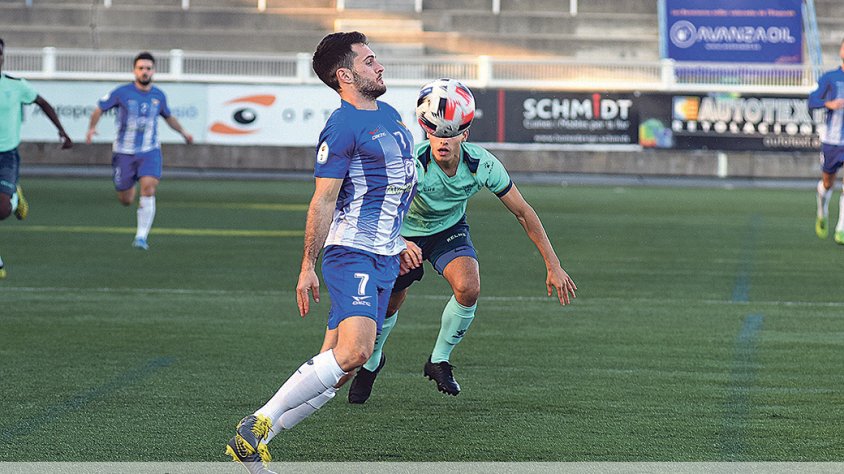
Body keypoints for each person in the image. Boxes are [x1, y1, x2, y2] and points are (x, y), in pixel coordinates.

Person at [225, 32, 418, 474]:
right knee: (356, 352)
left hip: (385, 255)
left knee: (340, 368)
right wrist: (307, 265)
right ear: (345, 75)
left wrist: (400, 239)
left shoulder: (390, 115)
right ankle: (259, 421)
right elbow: (324, 199)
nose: (379, 66)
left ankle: (251, 447)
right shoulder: (342, 126)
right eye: (369, 61)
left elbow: (393, 191)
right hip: (352, 253)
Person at [347, 79, 577, 404]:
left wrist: (553, 265)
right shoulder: (411, 164)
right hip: (403, 234)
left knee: (469, 287)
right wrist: (397, 241)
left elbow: (524, 212)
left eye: (451, 133)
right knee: (392, 302)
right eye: (435, 132)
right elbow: (376, 208)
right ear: (427, 132)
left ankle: (439, 360)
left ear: (464, 135)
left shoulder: (483, 164)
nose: (442, 140)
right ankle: (372, 362)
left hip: (448, 229)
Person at [85, 51, 192, 251]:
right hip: (123, 152)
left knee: (149, 188)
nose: (145, 72)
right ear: (134, 70)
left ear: (154, 71)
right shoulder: (122, 92)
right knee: (126, 199)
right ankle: (130, 187)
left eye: (148, 68)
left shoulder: (159, 95)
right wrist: (91, 128)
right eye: (141, 68)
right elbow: (99, 108)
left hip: (149, 151)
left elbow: (168, 117)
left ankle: (141, 237)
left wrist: (184, 132)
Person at [0, 37, 73, 279]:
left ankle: (14, 196)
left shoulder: (15, 85)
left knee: (2, 210)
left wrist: (61, 131)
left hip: (6, 155)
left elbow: (43, 103)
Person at [810, 39, 844, 245]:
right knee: (827, 182)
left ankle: (841, 227)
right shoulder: (831, 78)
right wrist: (828, 103)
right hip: (832, 141)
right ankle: (822, 210)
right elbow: (812, 100)